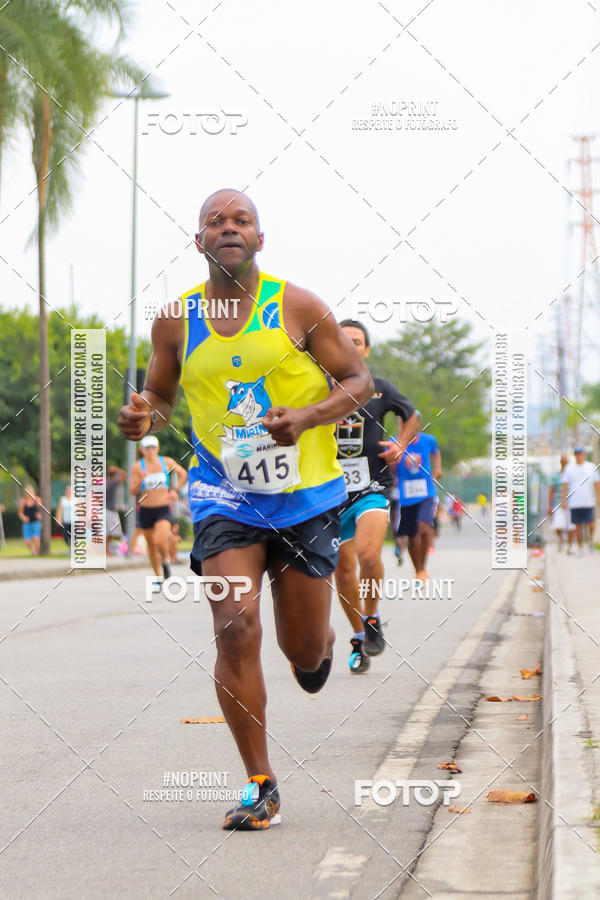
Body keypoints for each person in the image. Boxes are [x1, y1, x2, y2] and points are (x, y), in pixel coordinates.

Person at [118, 188, 373, 830]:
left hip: (305, 495)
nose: (228, 227)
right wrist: (145, 414)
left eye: (242, 220)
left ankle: (318, 646)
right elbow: (160, 395)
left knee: (304, 652)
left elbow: (359, 381)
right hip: (223, 495)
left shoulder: (298, 306)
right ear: (199, 241)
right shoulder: (175, 320)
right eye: (215, 221)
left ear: (261, 238)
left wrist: (308, 417)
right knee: (234, 625)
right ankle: (261, 784)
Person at [333, 319, 416, 673]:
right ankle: (358, 638)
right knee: (342, 571)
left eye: (356, 341)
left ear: (366, 350)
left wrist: (400, 444)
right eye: (343, 339)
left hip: (372, 486)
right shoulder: (316, 389)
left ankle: (372, 618)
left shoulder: (379, 389)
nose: (349, 345)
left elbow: (411, 415)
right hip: (330, 492)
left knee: (368, 554)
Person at [128, 436, 188, 580]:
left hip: (163, 509)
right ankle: (158, 576)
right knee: (151, 546)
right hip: (146, 510)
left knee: (160, 541)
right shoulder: (138, 466)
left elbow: (183, 474)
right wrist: (141, 479)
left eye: (153, 447)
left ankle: (165, 561)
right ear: (142, 450)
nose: (150, 451)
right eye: (147, 448)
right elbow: (132, 490)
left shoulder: (166, 462)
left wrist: (175, 490)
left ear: (158, 448)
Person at [394, 415, 442, 581]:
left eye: (409, 422)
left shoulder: (429, 440)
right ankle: (419, 570)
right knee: (411, 535)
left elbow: (436, 453)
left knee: (424, 527)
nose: (405, 425)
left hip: (427, 492)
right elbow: (390, 467)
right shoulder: (394, 443)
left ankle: (422, 569)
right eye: (402, 422)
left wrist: (437, 468)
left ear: (417, 424)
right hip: (406, 496)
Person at [561, 446, 600, 555]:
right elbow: (564, 486)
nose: (579, 456)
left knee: (591, 523)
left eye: (581, 454)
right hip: (575, 502)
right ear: (575, 455)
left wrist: (598, 497)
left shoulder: (591, 466)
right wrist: (563, 500)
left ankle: (590, 540)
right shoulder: (569, 468)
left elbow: (596, 483)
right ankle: (580, 547)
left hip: (589, 501)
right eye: (577, 454)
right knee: (577, 526)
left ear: (584, 455)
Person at [548, 454, 574, 552]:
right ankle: (562, 539)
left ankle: (570, 546)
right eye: (562, 461)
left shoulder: (571, 474)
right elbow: (551, 491)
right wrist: (550, 506)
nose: (564, 463)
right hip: (558, 503)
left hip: (571, 503)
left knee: (572, 526)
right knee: (557, 525)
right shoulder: (556, 476)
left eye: (565, 461)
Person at [106, 465, 127, 554]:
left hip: (110, 510)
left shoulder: (107, 483)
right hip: (109, 511)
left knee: (112, 532)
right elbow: (125, 475)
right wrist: (117, 469)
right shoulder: (112, 483)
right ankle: (106, 551)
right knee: (109, 532)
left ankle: (108, 551)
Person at [18, 485, 42, 556]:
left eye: (30, 491)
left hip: (36, 523)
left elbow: (41, 509)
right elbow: (20, 512)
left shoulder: (37, 499)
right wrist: (23, 518)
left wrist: (39, 515)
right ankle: (33, 551)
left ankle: (37, 554)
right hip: (27, 523)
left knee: (36, 538)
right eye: (27, 492)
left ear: (33, 492)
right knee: (27, 541)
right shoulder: (23, 501)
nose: (29, 493)